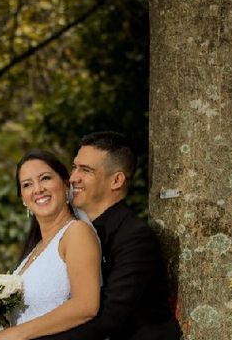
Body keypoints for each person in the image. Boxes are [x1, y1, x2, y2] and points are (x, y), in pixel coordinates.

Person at [36, 131, 180, 340]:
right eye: (75, 167)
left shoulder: (135, 238)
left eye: (86, 170)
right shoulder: (66, 231)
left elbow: (109, 318)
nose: (74, 177)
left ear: (116, 181)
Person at [0, 149, 102, 340]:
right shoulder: (34, 250)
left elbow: (86, 305)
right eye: (27, 184)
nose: (38, 189)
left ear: (64, 183)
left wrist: (16, 333)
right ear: (23, 197)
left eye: (45, 178)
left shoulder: (76, 233)